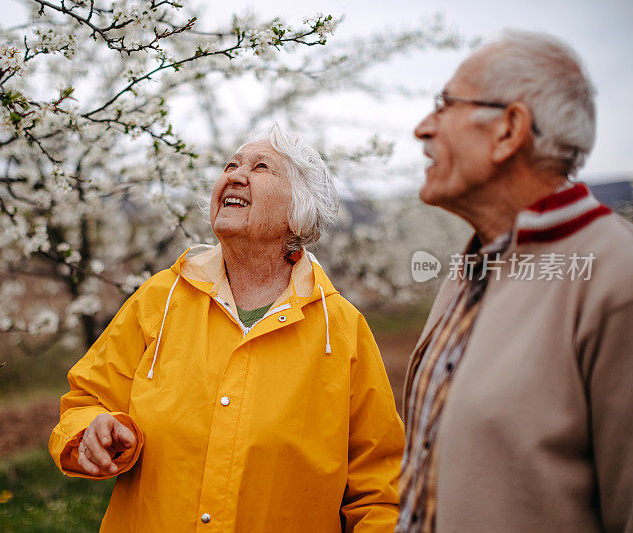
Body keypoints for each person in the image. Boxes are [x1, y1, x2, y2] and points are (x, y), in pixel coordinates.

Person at [49, 123, 405, 532]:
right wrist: (94, 432)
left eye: (261, 167)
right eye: (230, 165)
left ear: (299, 209)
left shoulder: (340, 329)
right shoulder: (160, 299)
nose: (235, 175)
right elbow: (84, 402)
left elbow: (379, 489)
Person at [397, 29, 633, 533]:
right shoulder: (469, 271)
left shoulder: (616, 280)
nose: (422, 128)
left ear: (509, 129)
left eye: (444, 106)